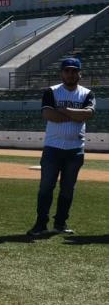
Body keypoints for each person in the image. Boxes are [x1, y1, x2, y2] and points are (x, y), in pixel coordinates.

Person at [27, 57, 95, 236]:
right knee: (46, 186)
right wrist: (75, 115)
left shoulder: (87, 93)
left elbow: (88, 114)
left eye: (74, 71)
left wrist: (63, 111)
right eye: (67, 71)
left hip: (75, 149)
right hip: (53, 147)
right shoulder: (51, 91)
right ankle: (41, 224)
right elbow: (48, 114)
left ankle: (60, 223)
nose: (70, 74)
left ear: (79, 73)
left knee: (67, 188)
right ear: (61, 73)